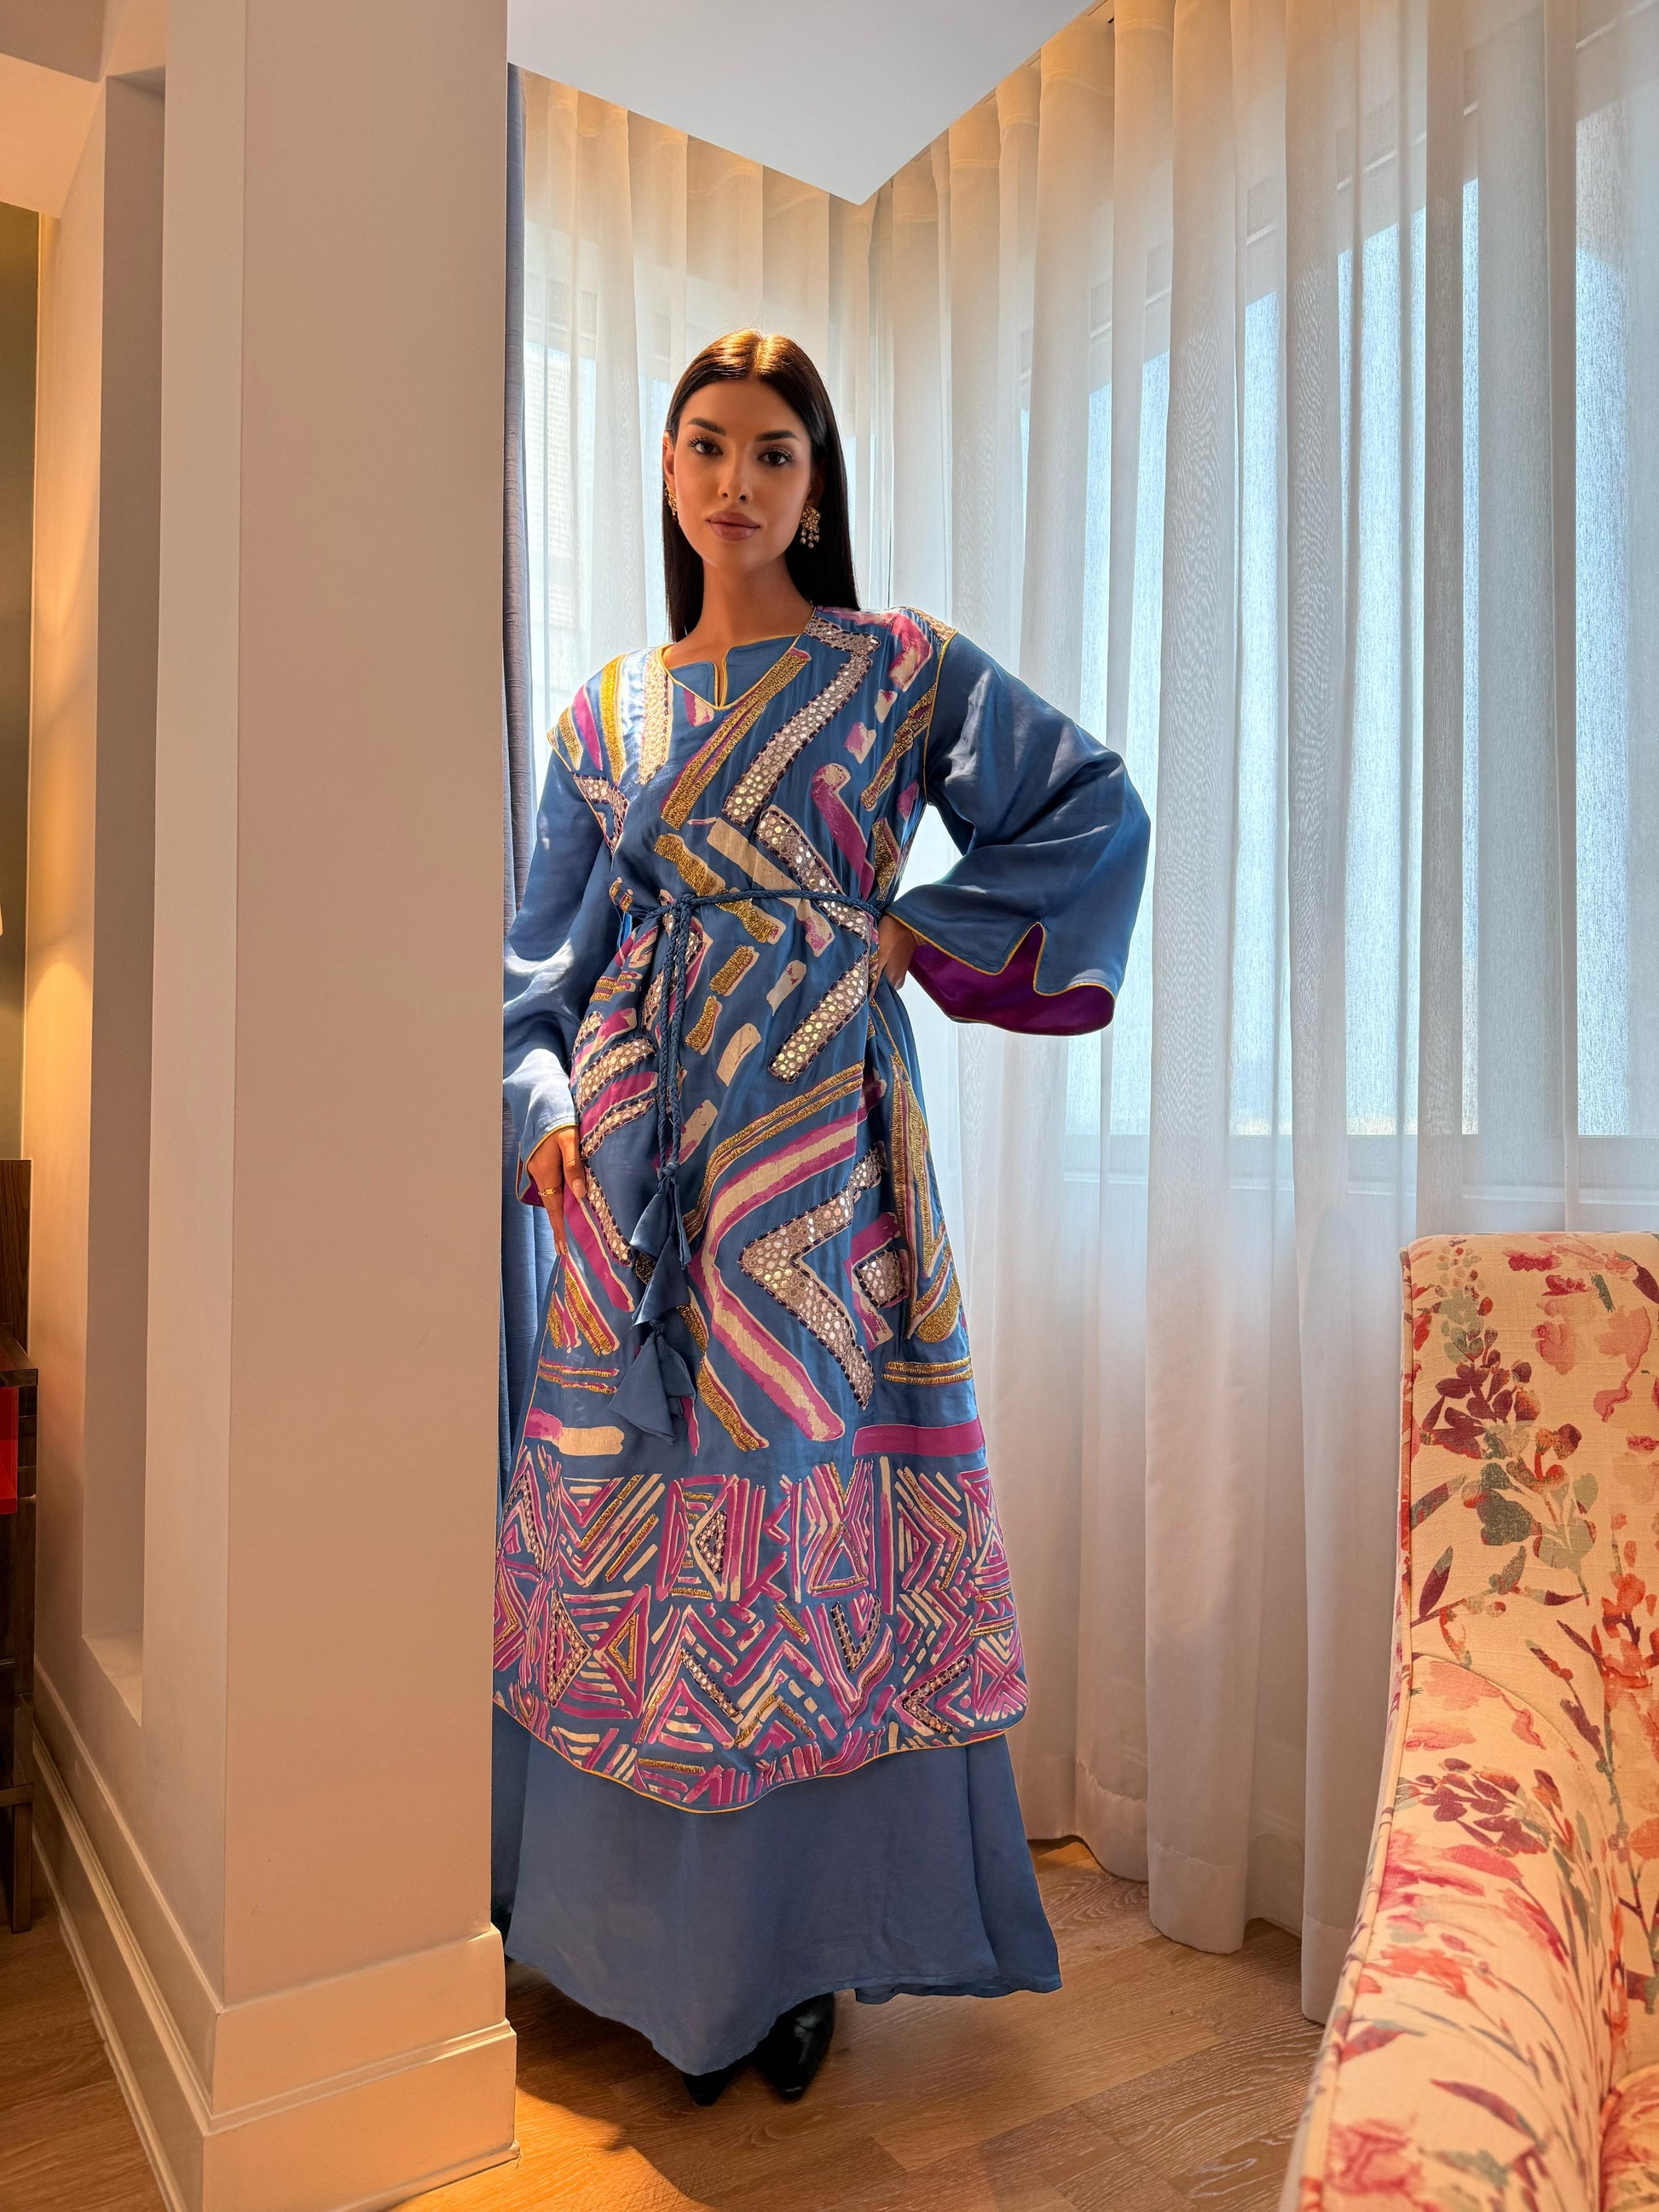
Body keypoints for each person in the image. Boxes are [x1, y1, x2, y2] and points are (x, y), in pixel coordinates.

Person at [493, 328, 1149, 2105]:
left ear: (814, 483)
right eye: (704, 445)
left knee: (803, 1524)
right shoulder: (601, 720)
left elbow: (1089, 807)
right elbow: (533, 973)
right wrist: (549, 1118)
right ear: (665, 471)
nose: (734, 480)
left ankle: (791, 1957)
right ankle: (625, 1946)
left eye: (771, 451)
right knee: (639, 1523)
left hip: (824, 1160)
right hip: (638, 1173)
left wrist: (912, 930)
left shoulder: (897, 669)